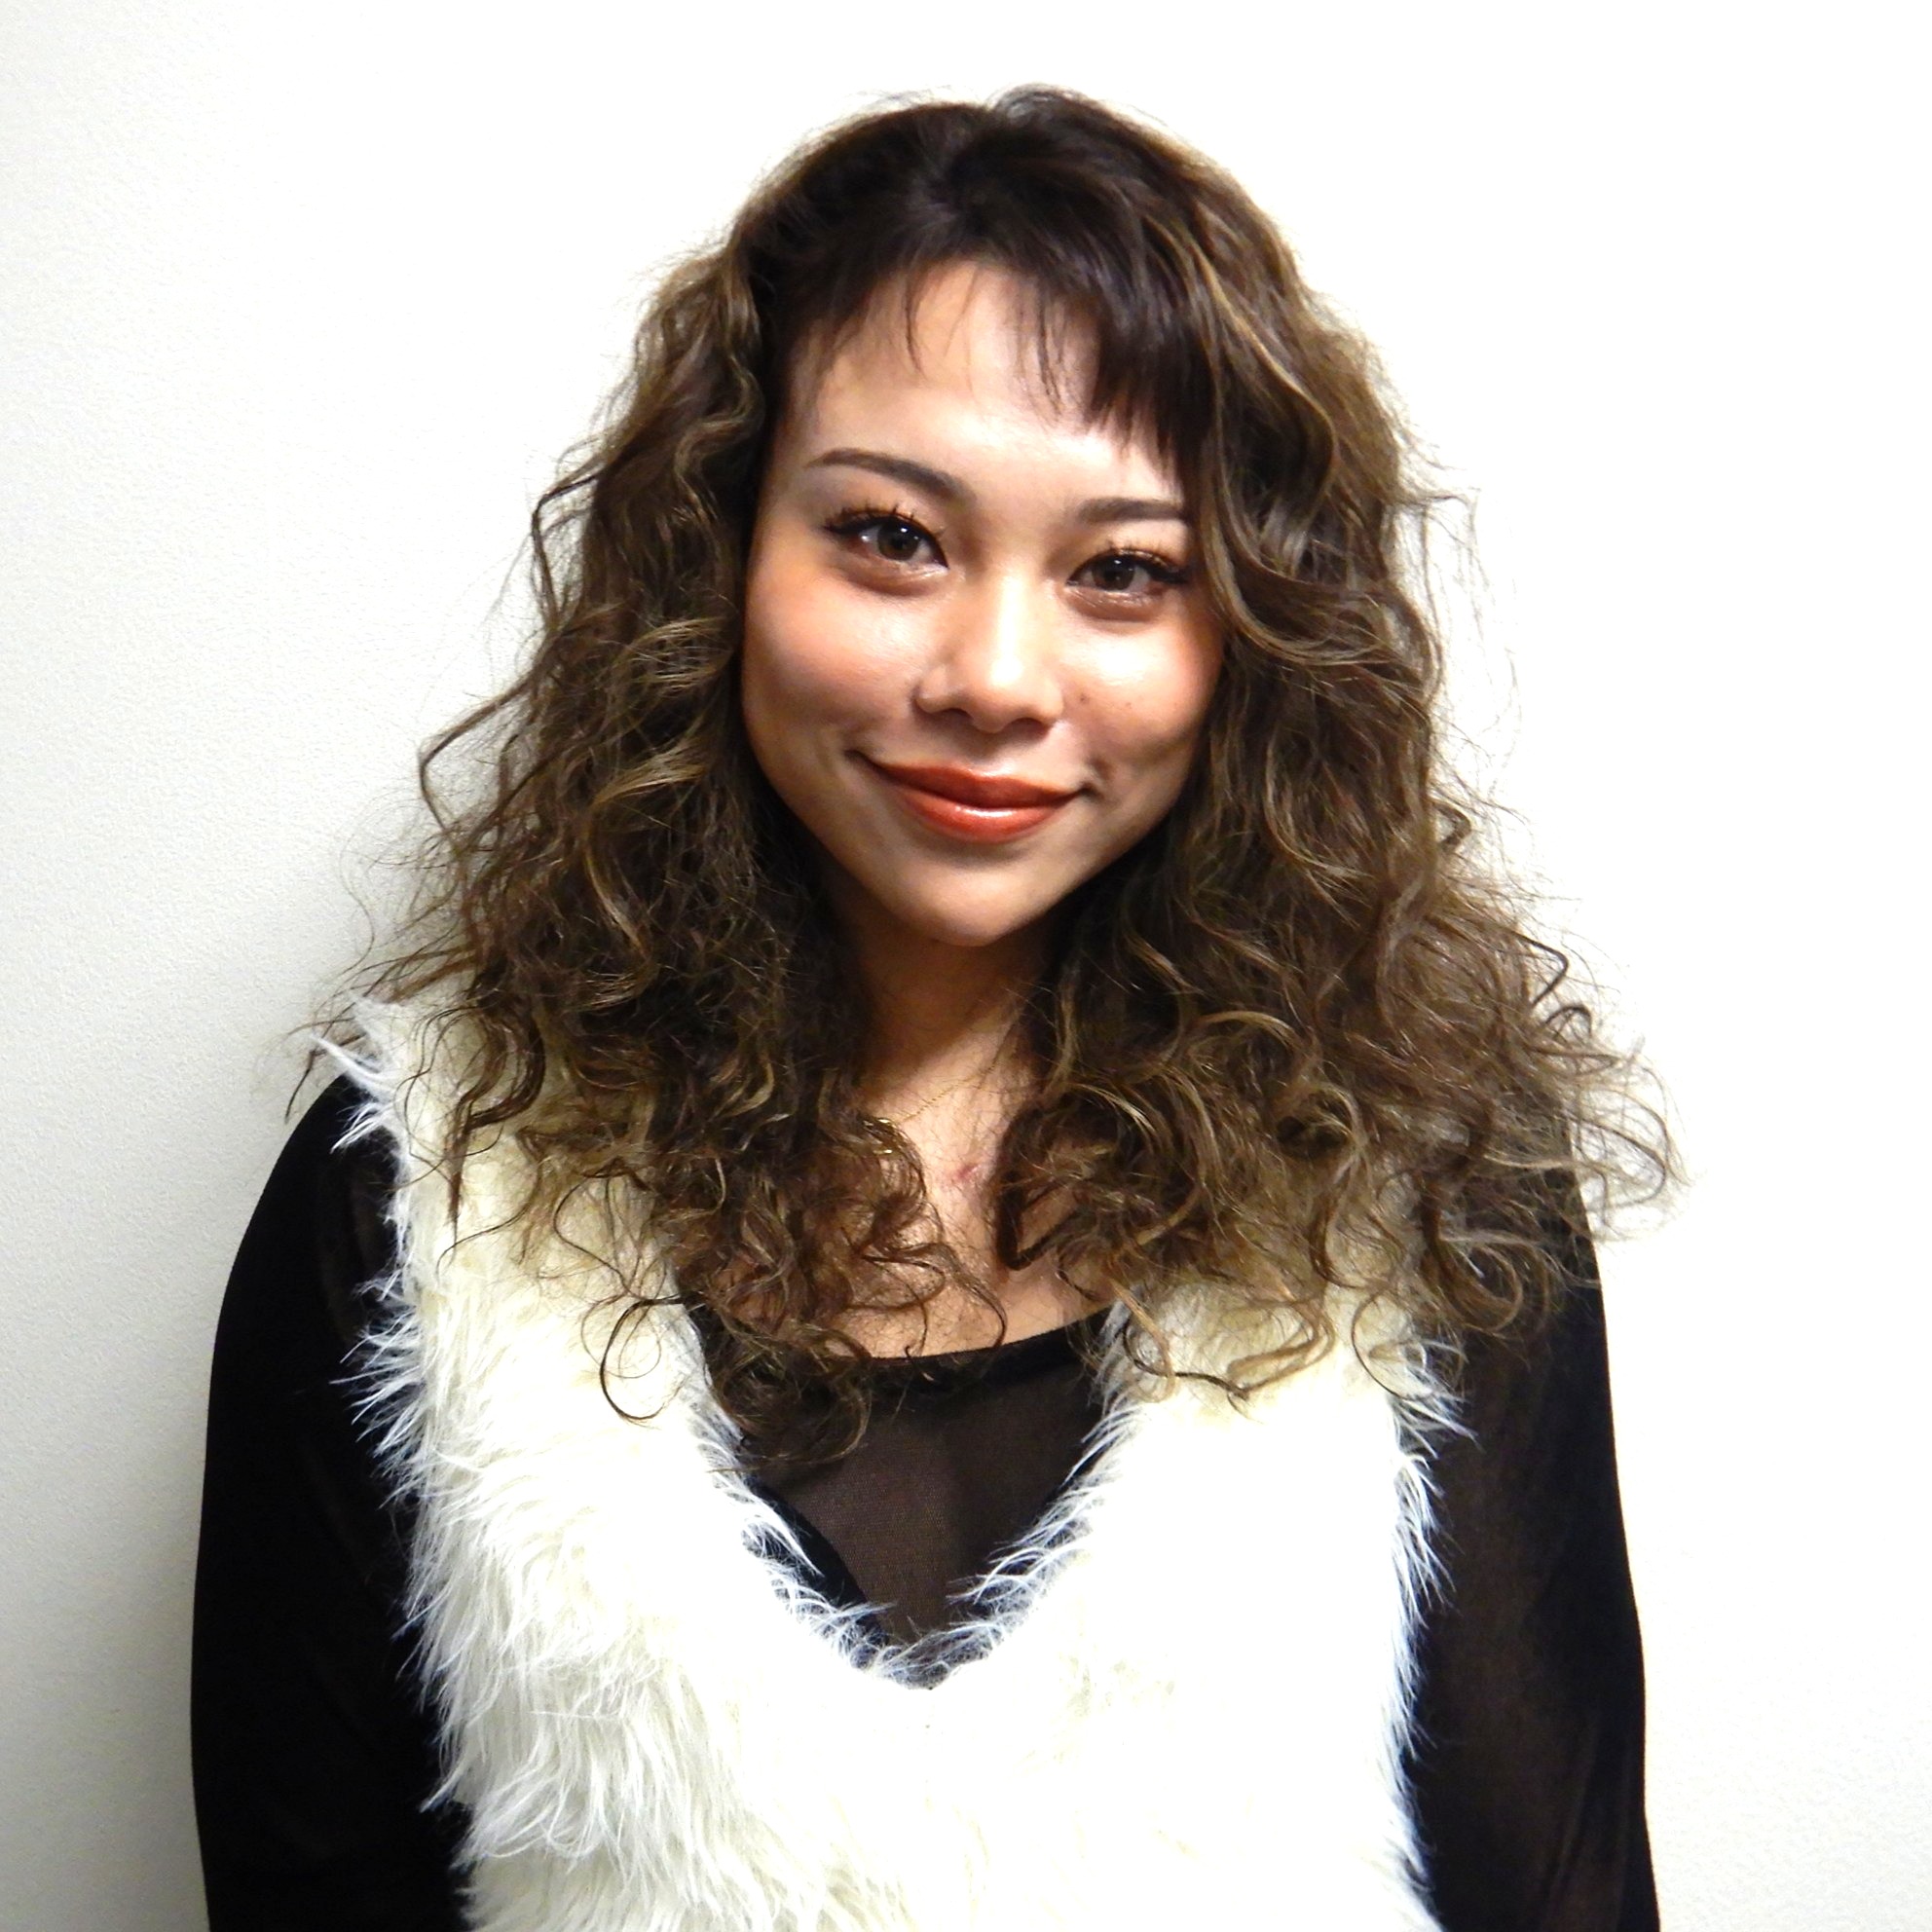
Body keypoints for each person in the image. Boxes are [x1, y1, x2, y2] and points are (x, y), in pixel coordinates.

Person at [193, 88, 1663, 1931]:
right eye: (893, 537)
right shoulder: (414, 1190)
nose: (994, 677)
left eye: (1124, 571)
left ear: (1254, 639)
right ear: (722, 553)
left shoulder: (1428, 1179)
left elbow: (1565, 1896)